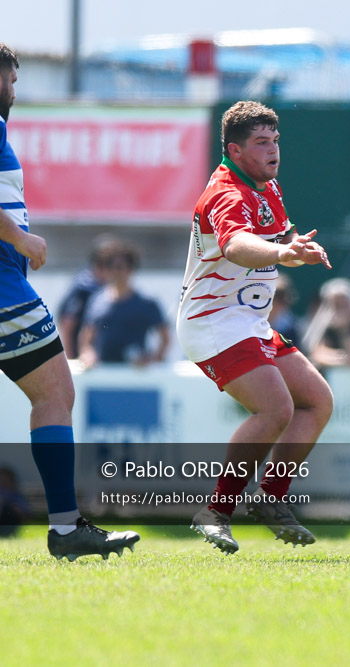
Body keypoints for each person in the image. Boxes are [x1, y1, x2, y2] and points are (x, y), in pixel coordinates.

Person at [0, 43, 139, 560]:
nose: (14, 90)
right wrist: (21, 240)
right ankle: (65, 529)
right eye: (10, 80)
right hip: (4, 288)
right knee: (55, 394)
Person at [177, 100, 334, 555]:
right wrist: (284, 255)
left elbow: (271, 235)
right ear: (235, 150)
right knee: (275, 410)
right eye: (261, 143)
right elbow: (238, 245)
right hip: (213, 321)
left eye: (276, 141)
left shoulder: (267, 186)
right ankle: (217, 511)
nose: (273, 150)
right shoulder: (227, 192)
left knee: (317, 402)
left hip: (247, 320)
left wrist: (293, 244)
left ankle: (271, 498)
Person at [78, 241, 170, 368]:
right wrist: (88, 355)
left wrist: (152, 360)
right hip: (104, 376)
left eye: (120, 267)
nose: (115, 272)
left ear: (131, 269)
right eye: (110, 267)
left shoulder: (146, 302)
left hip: (136, 377)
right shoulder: (96, 301)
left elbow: (165, 338)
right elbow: (86, 339)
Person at [56, 234, 120, 360]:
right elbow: (68, 323)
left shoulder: (108, 285)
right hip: (84, 357)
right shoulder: (84, 287)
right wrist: (71, 360)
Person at [302, 278, 350, 369]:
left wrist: (344, 330)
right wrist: (343, 359)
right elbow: (318, 354)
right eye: (336, 304)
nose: (340, 309)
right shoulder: (324, 327)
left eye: (344, 304)